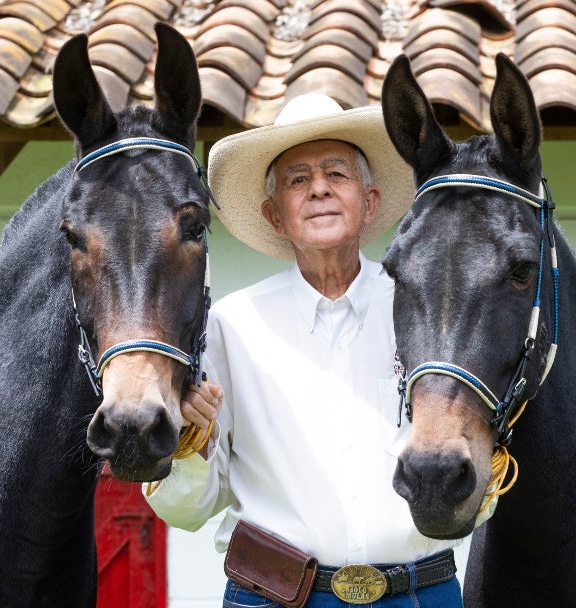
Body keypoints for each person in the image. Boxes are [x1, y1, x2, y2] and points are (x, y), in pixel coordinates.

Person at [145, 94, 470, 607]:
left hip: (420, 594)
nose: (318, 188)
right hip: (273, 596)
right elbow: (187, 511)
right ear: (276, 216)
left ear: (371, 202)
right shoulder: (231, 326)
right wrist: (191, 442)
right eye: (298, 179)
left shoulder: (429, 311)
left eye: (336, 174)